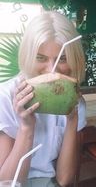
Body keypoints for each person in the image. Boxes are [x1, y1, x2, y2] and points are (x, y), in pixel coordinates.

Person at [0, 11, 86, 187]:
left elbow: (65, 179)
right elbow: (7, 181)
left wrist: (72, 119)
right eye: (41, 58)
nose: (52, 70)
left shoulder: (75, 101)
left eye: (62, 58)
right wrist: (26, 127)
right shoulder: (6, 96)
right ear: (28, 55)